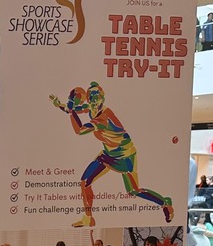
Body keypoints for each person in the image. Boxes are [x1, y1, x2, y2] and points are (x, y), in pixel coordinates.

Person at [51, 81, 173, 227]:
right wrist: (61, 105)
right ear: (88, 100)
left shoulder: (104, 117)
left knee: (133, 190)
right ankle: (88, 218)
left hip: (125, 155)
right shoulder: (90, 107)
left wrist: (70, 109)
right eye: (91, 97)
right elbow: (73, 110)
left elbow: (80, 129)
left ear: (103, 98)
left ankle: (164, 202)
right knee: (85, 182)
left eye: (97, 97)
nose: (94, 100)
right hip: (108, 154)